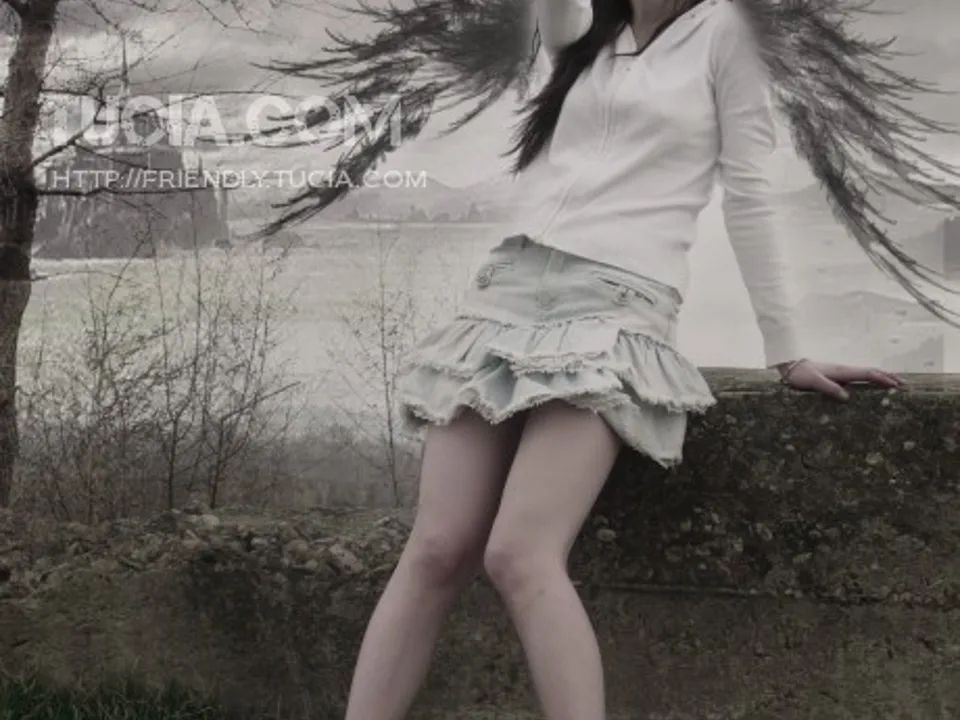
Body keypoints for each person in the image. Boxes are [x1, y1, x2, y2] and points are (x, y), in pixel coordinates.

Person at [341, 0, 902, 718]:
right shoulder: (583, 30)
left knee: (520, 554)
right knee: (436, 548)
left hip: (617, 304)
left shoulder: (727, 32)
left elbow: (750, 194)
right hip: (507, 289)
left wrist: (786, 351)